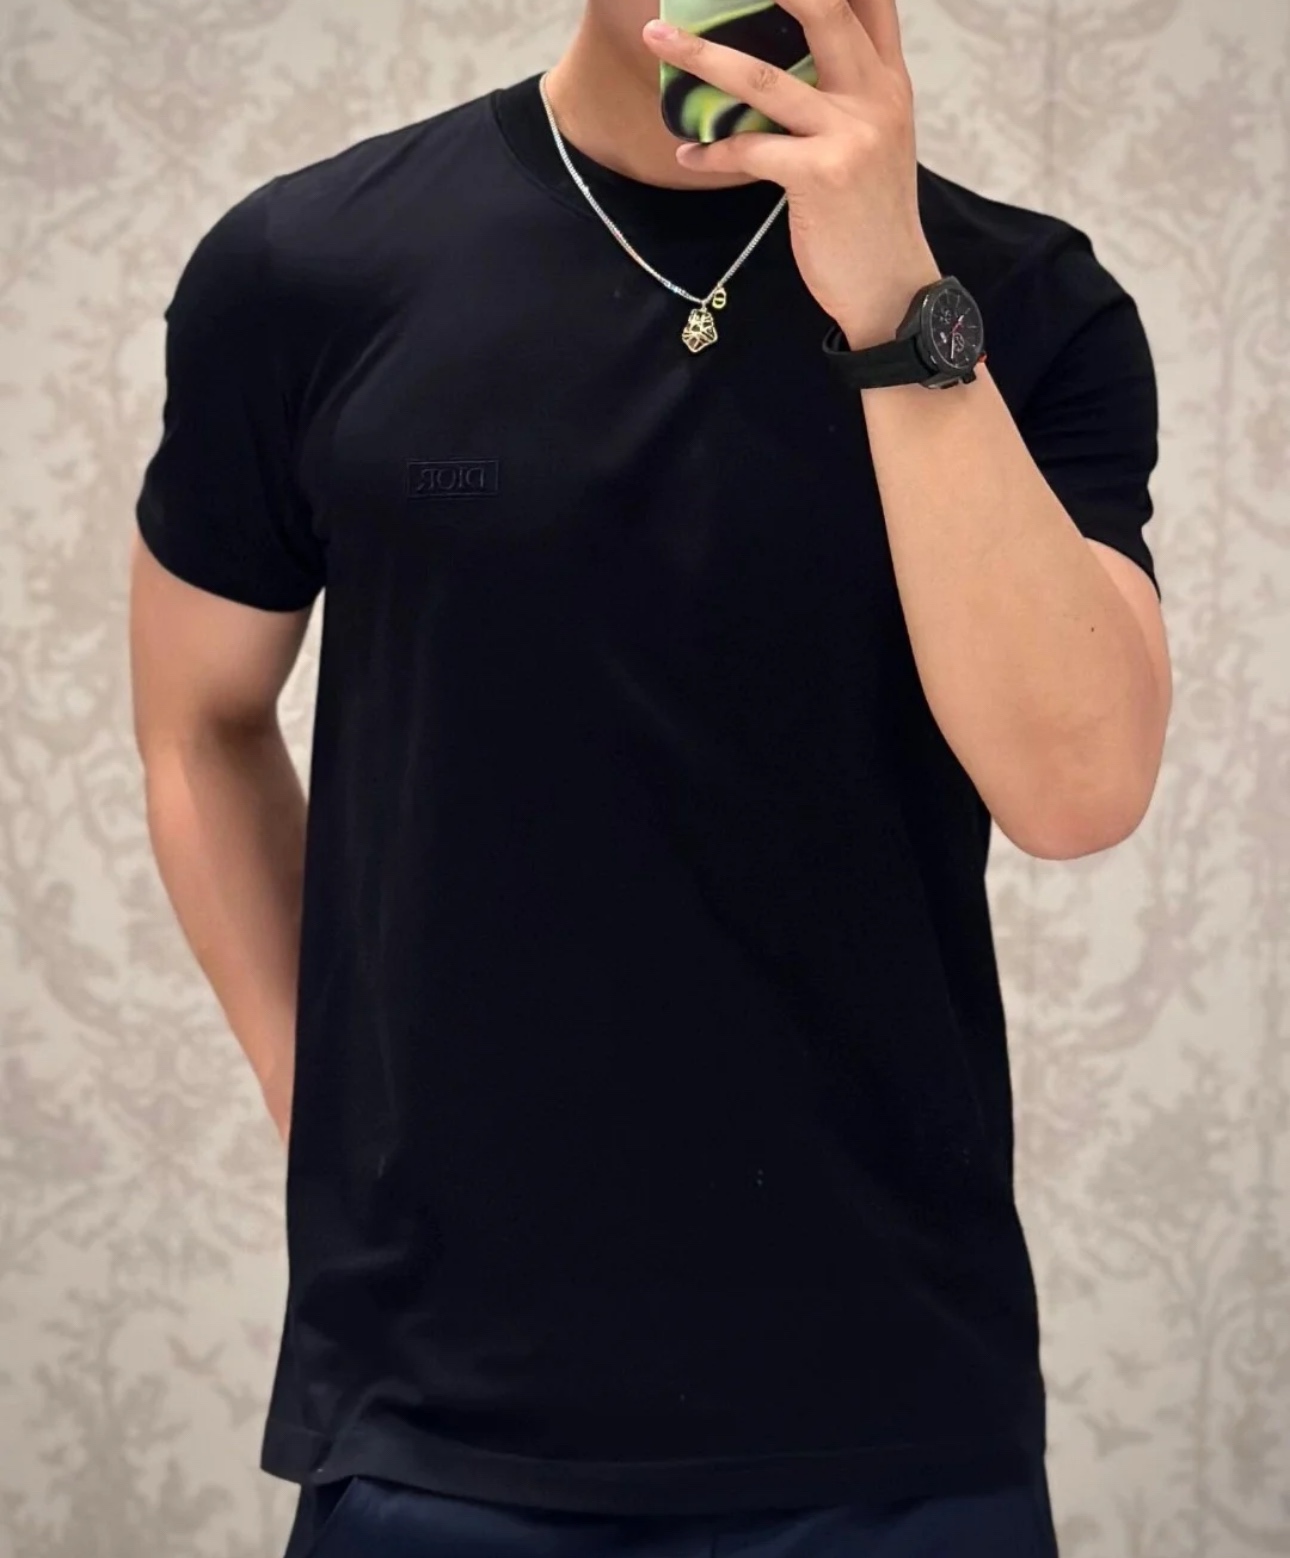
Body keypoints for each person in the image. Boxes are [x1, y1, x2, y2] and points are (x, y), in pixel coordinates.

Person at [128, 0, 1172, 1552]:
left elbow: (1077, 787)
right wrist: (322, 1097)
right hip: (437, 1417)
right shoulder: (309, 266)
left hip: (890, 1417)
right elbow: (197, 721)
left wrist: (894, 300)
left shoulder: (1018, 302)